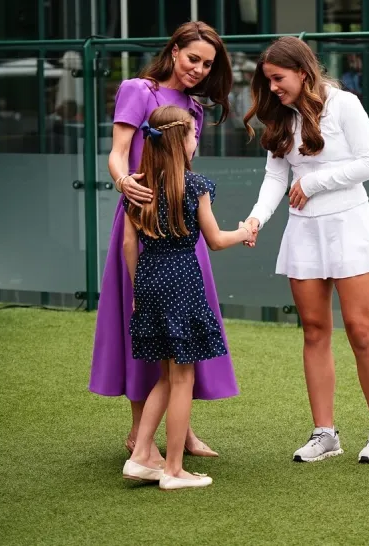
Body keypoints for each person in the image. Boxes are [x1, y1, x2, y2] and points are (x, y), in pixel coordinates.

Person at [241, 37, 369, 464]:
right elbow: (275, 178)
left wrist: (312, 183)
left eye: (278, 78)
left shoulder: (344, 104)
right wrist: (256, 218)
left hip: (350, 227)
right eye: (267, 80)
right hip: (302, 233)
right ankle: (324, 433)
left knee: (362, 331)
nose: (271, 88)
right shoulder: (280, 116)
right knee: (313, 331)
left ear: (302, 72)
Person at [89, 21, 235, 461]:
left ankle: (181, 431)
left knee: (183, 330)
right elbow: (117, 152)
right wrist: (123, 183)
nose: (199, 70)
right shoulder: (139, 89)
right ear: (174, 52)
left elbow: (185, 170)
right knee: (143, 326)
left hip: (185, 232)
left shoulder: (195, 107)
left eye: (208, 65)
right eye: (193, 59)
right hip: (139, 223)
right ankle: (140, 435)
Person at [120, 106, 253, 490]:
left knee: (164, 375)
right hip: (181, 281)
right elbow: (214, 240)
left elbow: (130, 244)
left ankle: (141, 455)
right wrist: (243, 230)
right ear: (183, 141)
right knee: (183, 378)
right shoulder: (196, 186)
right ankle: (174, 470)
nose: (198, 141)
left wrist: (136, 291)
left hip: (148, 279)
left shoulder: (138, 187)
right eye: (195, 135)